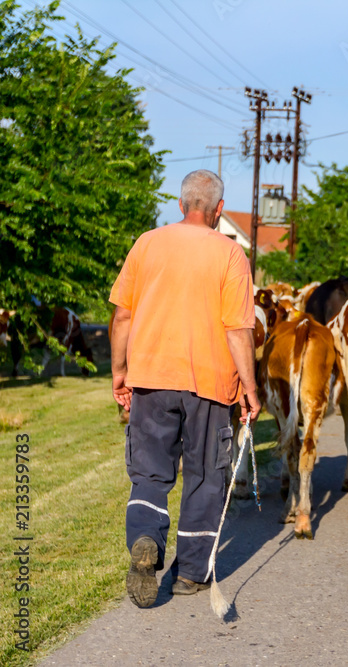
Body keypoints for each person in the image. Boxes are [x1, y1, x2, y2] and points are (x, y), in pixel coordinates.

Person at [109, 169, 261, 608]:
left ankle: (144, 539)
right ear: (218, 210)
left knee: (150, 473)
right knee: (205, 477)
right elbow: (237, 329)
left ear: (180, 205)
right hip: (210, 386)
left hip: (151, 378)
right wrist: (249, 389)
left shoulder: (146, 243)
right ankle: (191, 573)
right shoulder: (231, 255)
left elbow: (122, 316)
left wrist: (120, 372)